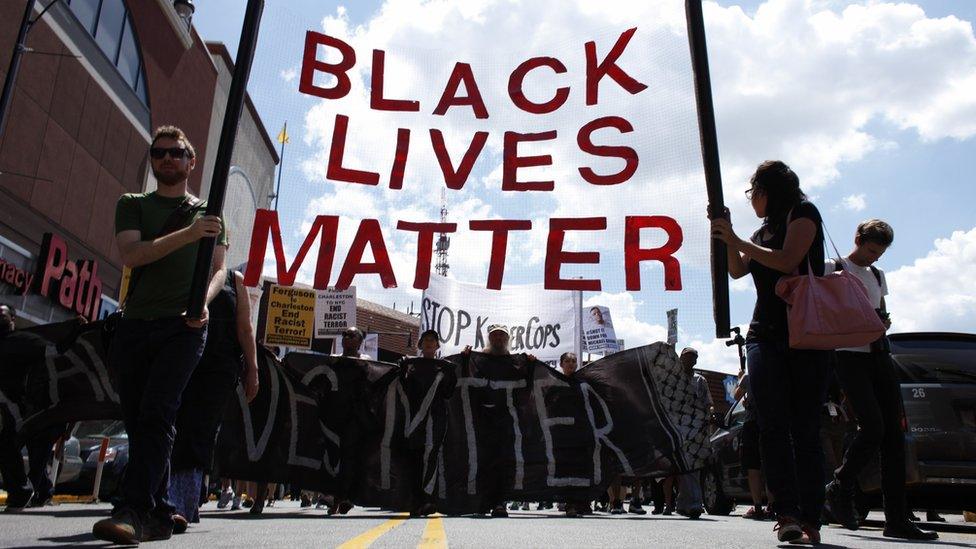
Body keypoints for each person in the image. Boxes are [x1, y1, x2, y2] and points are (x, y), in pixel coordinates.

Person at [93, 126, 228, 545]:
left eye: (176, 152)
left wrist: (203, 302)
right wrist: (190, 233)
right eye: (159, 153)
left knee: (158, 411)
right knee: (138, 418)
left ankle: (133, 510)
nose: (167, 159)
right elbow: (133, 254)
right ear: (152, 161)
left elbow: (219, 269)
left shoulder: (210, 211)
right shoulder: (132, 205)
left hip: (183, 327)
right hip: (135, 323)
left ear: (191, 161)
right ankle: (163, 506)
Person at [710, 160, 830, 544]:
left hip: (805, 333)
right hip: (764, 332)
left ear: (769, 190)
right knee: (772, 427)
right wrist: (728, 239)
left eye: (753, 192)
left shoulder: (803, 214)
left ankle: (812, 514)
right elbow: (737, 271)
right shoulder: (761, 230)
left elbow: (787, 261)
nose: (751, 200)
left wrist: (739, 242)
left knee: (805, 429)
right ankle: (788, 513)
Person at [823, 220, 937, 540]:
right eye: (872, 250)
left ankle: (897, 518)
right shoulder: (832, 267)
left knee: (894, 438)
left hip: (878, 353)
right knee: (872, 427)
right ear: (857, 239)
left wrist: (883, 320)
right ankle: (840, 486)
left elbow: (880, 310)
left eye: (881, 253)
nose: (875, 258)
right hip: (847, 354)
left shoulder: (877, 275)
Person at [167, 269, 260, 530]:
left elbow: (245, 328)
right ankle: (154, 496)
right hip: (176, 357)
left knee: (200, 431)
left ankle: (181, 503)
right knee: (166, 423)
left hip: (217, 368)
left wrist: (252, 369)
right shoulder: (183, 264)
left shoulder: (235, 280)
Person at [0, 304, 75, 512]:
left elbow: (54, 352)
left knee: (12, 446)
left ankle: (27, 490)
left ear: (13, 319)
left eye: (2, 313)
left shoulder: (22, 342)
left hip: (21, 409)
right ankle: (32, 489)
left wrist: (74, 330)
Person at [400, 329, 456, 517]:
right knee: (414, 457)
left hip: (436, 417)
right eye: (426, 340)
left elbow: (448, 393)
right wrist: (402, 369)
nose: (430, 343)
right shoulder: (411, 366)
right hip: (414, 417)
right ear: (420, 344)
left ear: (438, 345)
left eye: (433, 340)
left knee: (432, 455)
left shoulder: (444, 367)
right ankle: (415, 500)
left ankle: (428, 499)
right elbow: (404, 390)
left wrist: (452, 374)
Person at [324, 327, 372, 515]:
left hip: (355, 416)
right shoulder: (334, 360)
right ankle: (336, 496)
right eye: (344, 335)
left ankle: (343, 498)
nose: (346, 338)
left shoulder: (366, 362)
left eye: (351, 335)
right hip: (334, 414)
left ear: (359, 341)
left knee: (350, 456)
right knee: (333, 455)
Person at [673, 348, 710, 519]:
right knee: (682, 467)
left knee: (693, 466)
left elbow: (708, 403)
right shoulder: (673, 379)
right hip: (677, 428)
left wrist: (708, 416)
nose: (689, 361)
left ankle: (695, 504)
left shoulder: (700, 381)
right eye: (686, 358)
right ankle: (682, 503)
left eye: (693, 358)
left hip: (695, 429)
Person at [733, 370, 769, 520]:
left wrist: (740, 379)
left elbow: (736, 395)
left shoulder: (749, 376)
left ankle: (758, 506)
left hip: (753, 423)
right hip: (771, 421)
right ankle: (774, 505)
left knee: (753, 466)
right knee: (769, 464)